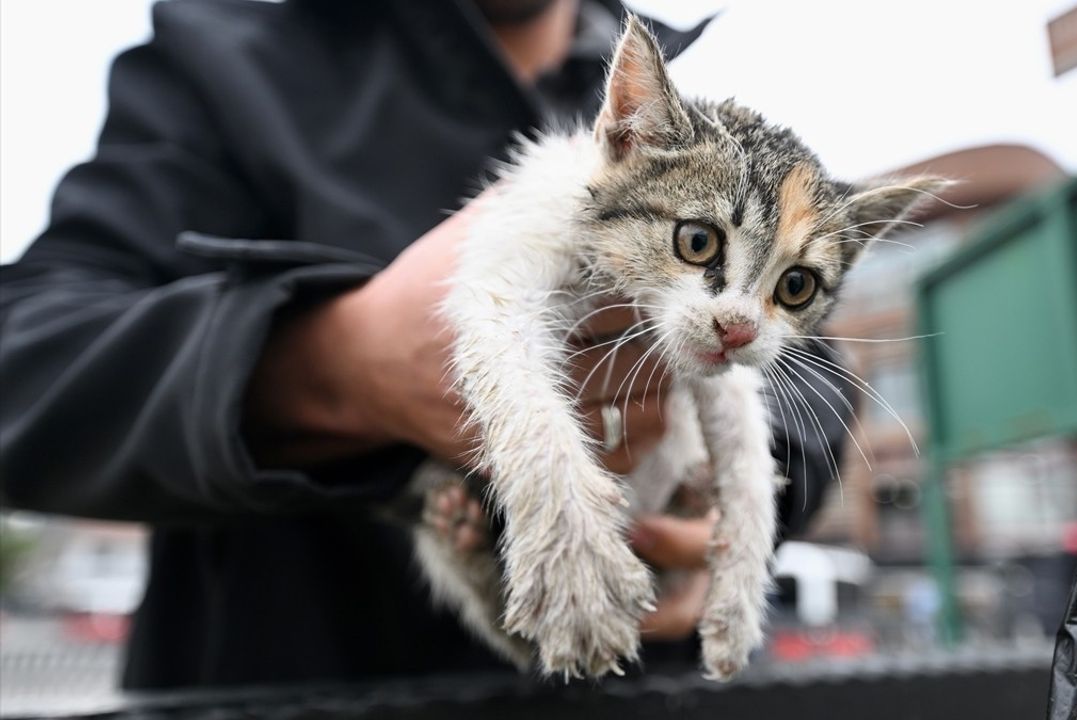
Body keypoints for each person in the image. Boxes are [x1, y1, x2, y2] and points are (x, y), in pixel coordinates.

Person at [0, 0, 851, 688]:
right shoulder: (218, 62)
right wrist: (332, 368)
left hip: (643, 687)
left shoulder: (681, 105)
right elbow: (25, 360)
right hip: (300, 681)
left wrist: (720, 521)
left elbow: (816, 376)